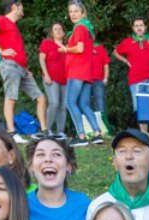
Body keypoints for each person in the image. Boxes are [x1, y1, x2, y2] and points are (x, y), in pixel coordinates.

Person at [0, 0, 48, 143]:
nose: (23, 10)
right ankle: (11, 133)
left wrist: (25, 69)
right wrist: (1, 51)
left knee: (41, 98)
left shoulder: (13, 26)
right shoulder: (2, 20)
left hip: (22, 68)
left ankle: (44, 132)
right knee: (11, 97)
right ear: (14, 7)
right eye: (21, 7)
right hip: (10, 65)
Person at [61, 0, 104, 147]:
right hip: (87, 72)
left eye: (76, 11)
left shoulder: (79, 27)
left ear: (82, 13)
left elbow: (79, 48)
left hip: (77, 70)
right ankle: (97, 133)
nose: (73, 14)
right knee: (84, 104)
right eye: (71, 11)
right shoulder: (87, 28)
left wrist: (66, 49)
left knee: (70, 102)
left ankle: (81, 136)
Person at [113, 16, 149, 135]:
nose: (139, 28)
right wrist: (126, 61)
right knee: (140, 106)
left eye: (141, 25)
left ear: (145, 27)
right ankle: (144, 133)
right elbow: (115, 52)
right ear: (133, 28)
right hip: (135, 79)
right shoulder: (128, 41)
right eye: (136, 26)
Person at [39, 23, 69, 138]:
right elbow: (41, 59)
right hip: (51, 78)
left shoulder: (68, 46)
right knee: (54, 102)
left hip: (66, 80)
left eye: (60, 29)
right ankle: (47, 129)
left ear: (64, 32)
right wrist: (46, 74)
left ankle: (60, 132)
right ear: (52, 33)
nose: (57, 31)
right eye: (55, 29)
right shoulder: (47, 43)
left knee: (63, 105)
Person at [91, 38, 111, 134]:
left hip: (98, 80)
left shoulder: (100, 48)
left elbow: (106, 64)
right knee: (84, 105)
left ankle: (103, 130)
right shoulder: (82, 47)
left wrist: (105, 78)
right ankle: (89, 131)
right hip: (84, 80)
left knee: (100, 106)